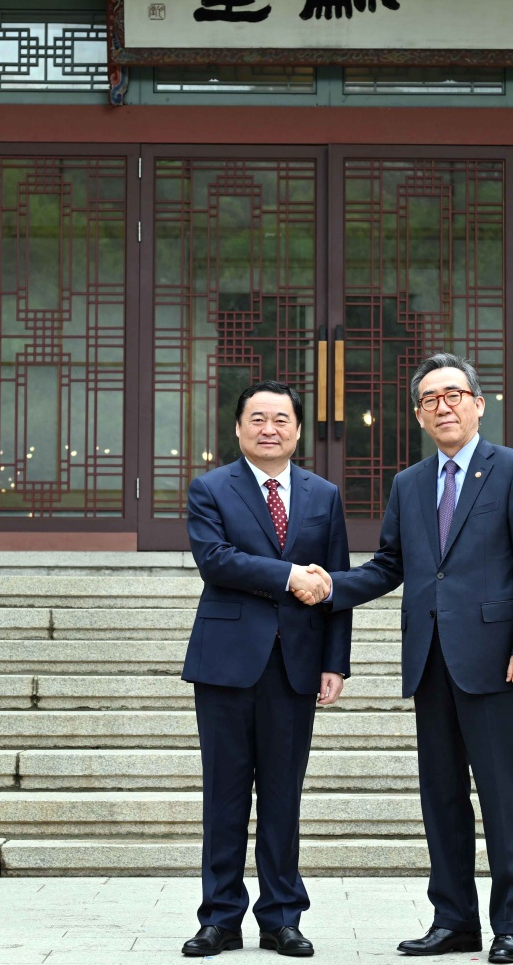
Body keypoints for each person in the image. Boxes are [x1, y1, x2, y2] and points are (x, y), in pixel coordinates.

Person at [295, 354, 513, 965]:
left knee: (500, 796)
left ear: (478, 403)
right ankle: (454, 921)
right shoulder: (410, 484)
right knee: (440, 797)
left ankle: (509, 927)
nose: (444, 406)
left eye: (455, 394)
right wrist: (330, 586)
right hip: (430, 660)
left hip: (496, 661)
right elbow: (391, 565)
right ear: (417, 414)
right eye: (430, 399)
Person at [181, 379, 351, 959]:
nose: (269, 428)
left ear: (298, 430)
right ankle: (220, 917)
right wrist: (286, 577)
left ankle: (282, 917)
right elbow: (215, 561)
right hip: (226, 664)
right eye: (257, 418)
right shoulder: (211, 488)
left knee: (283, 796)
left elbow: (336, 584)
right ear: (238, 427)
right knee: (224, 795)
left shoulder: (323, 495)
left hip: (295, 666)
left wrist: (336, 662)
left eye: (281, 419)